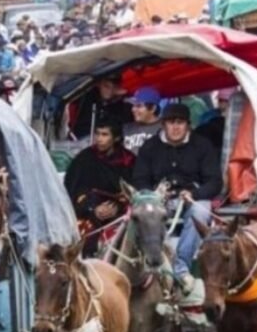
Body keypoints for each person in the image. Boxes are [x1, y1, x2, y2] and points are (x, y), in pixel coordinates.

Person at [133, 103, 222, 291]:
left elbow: (215, 181)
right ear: (163, 125)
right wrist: (153, 194)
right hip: (158, 201)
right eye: (171, 122)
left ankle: (181, 267)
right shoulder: (150, 147)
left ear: (188, 125)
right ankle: (150, 263)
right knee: (143, 214)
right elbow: (139, 179)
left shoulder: (202, 146)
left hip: (191, 200)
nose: (175, 127)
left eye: (180, 122)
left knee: (200, 211)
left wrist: (194, 194)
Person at [64, 120, 133, 257]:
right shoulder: (84, 159)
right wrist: (91, 208)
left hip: (120, 215)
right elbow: (71, 190)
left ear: (116, 138)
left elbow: (133, 192)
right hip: (86, 212)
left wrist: (117, 206)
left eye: (104, 134)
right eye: (97, 134)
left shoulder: (128, 161)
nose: (99, 139)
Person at [122, 87, 162, 155]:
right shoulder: (126, 128)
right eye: (133, 105)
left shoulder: (166, 128)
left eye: (138, 106)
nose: (133, 109)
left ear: (152, 108)